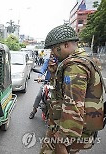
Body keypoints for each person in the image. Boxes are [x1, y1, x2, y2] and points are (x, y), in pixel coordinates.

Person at [40, 24, 104, 154]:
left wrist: (62, 141)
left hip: (67, 135)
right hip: (66, 129)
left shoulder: (75, 67)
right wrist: (53, 74)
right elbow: (63, 93)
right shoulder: (82, 60)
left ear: (66, 45)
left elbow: (73, 105)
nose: (52, 53)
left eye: (54, 48)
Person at [29, 54, 58, 119]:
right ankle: (34, 110)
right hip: (47, 82)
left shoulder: (60, 63)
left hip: (56, 84)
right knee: (39, 96)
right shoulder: (47, 61)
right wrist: (40, 76)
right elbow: (42, 69)